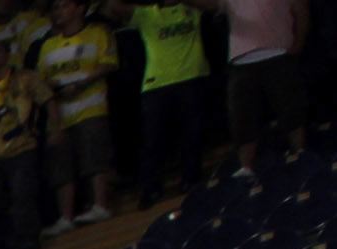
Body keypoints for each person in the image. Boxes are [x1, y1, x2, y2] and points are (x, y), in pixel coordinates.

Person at [36, 0, 121, 229]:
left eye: (64, 6)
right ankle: (66, 217)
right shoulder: (47, 45)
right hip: (60, 116)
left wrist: (81, 84)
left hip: (91, 107)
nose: (58, 11)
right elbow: (39, 80)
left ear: (80, 8)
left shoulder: (98, 33)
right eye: (55, 7)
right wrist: (52, 86)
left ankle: (101, 205)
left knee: (95, 158)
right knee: (62, 168)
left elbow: (109, 63)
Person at [121, 0, 217, 199]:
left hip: (191, 76)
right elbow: (112, 8)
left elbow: (213, 6)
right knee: (152, 140)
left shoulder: (191, 7)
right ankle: (150, 189)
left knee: (192, 134)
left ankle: (191, 180)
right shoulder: (145, 13)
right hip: (156, 83)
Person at [210, 0, 310, 173]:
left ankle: (301, 154)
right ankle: (246, 168)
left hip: (278, 52)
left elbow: (301, 10)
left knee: (291, 109)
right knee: (242, 117)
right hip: (241, 61)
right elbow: (209, 4)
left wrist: (299, 42)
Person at [0, 47, 50, 249]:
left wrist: (57, 129)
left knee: (22, 195)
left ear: (7, 55)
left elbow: (49, 102)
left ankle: (28, 240)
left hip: (21, 146)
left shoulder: (26, 78)